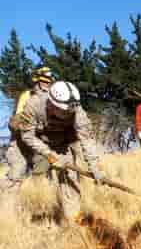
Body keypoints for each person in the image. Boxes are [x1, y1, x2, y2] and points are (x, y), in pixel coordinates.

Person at [15, 81, 104, 224]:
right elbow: (27, 136)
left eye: (68, 111)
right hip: (31, 141)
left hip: (60, 142)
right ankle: (11, 213)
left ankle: (73, 220)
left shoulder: (77, 110)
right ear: (51, 103)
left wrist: (94, 166)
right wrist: (48, 154)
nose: (67, 114)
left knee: (70, 178)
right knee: (16, 174)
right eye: (62, 111)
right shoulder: (34, 104)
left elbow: (87, 139)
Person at [0, 67, 56, 199]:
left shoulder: (53, 99)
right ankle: (6, 203)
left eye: (49, 82)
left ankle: (36, 201)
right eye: (44, 81)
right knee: (17, 173)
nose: (47, 85)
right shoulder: (27, 96)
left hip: (39, 145)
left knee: (47, 171)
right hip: (20, 143)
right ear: (37, 81)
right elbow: (17, 122)